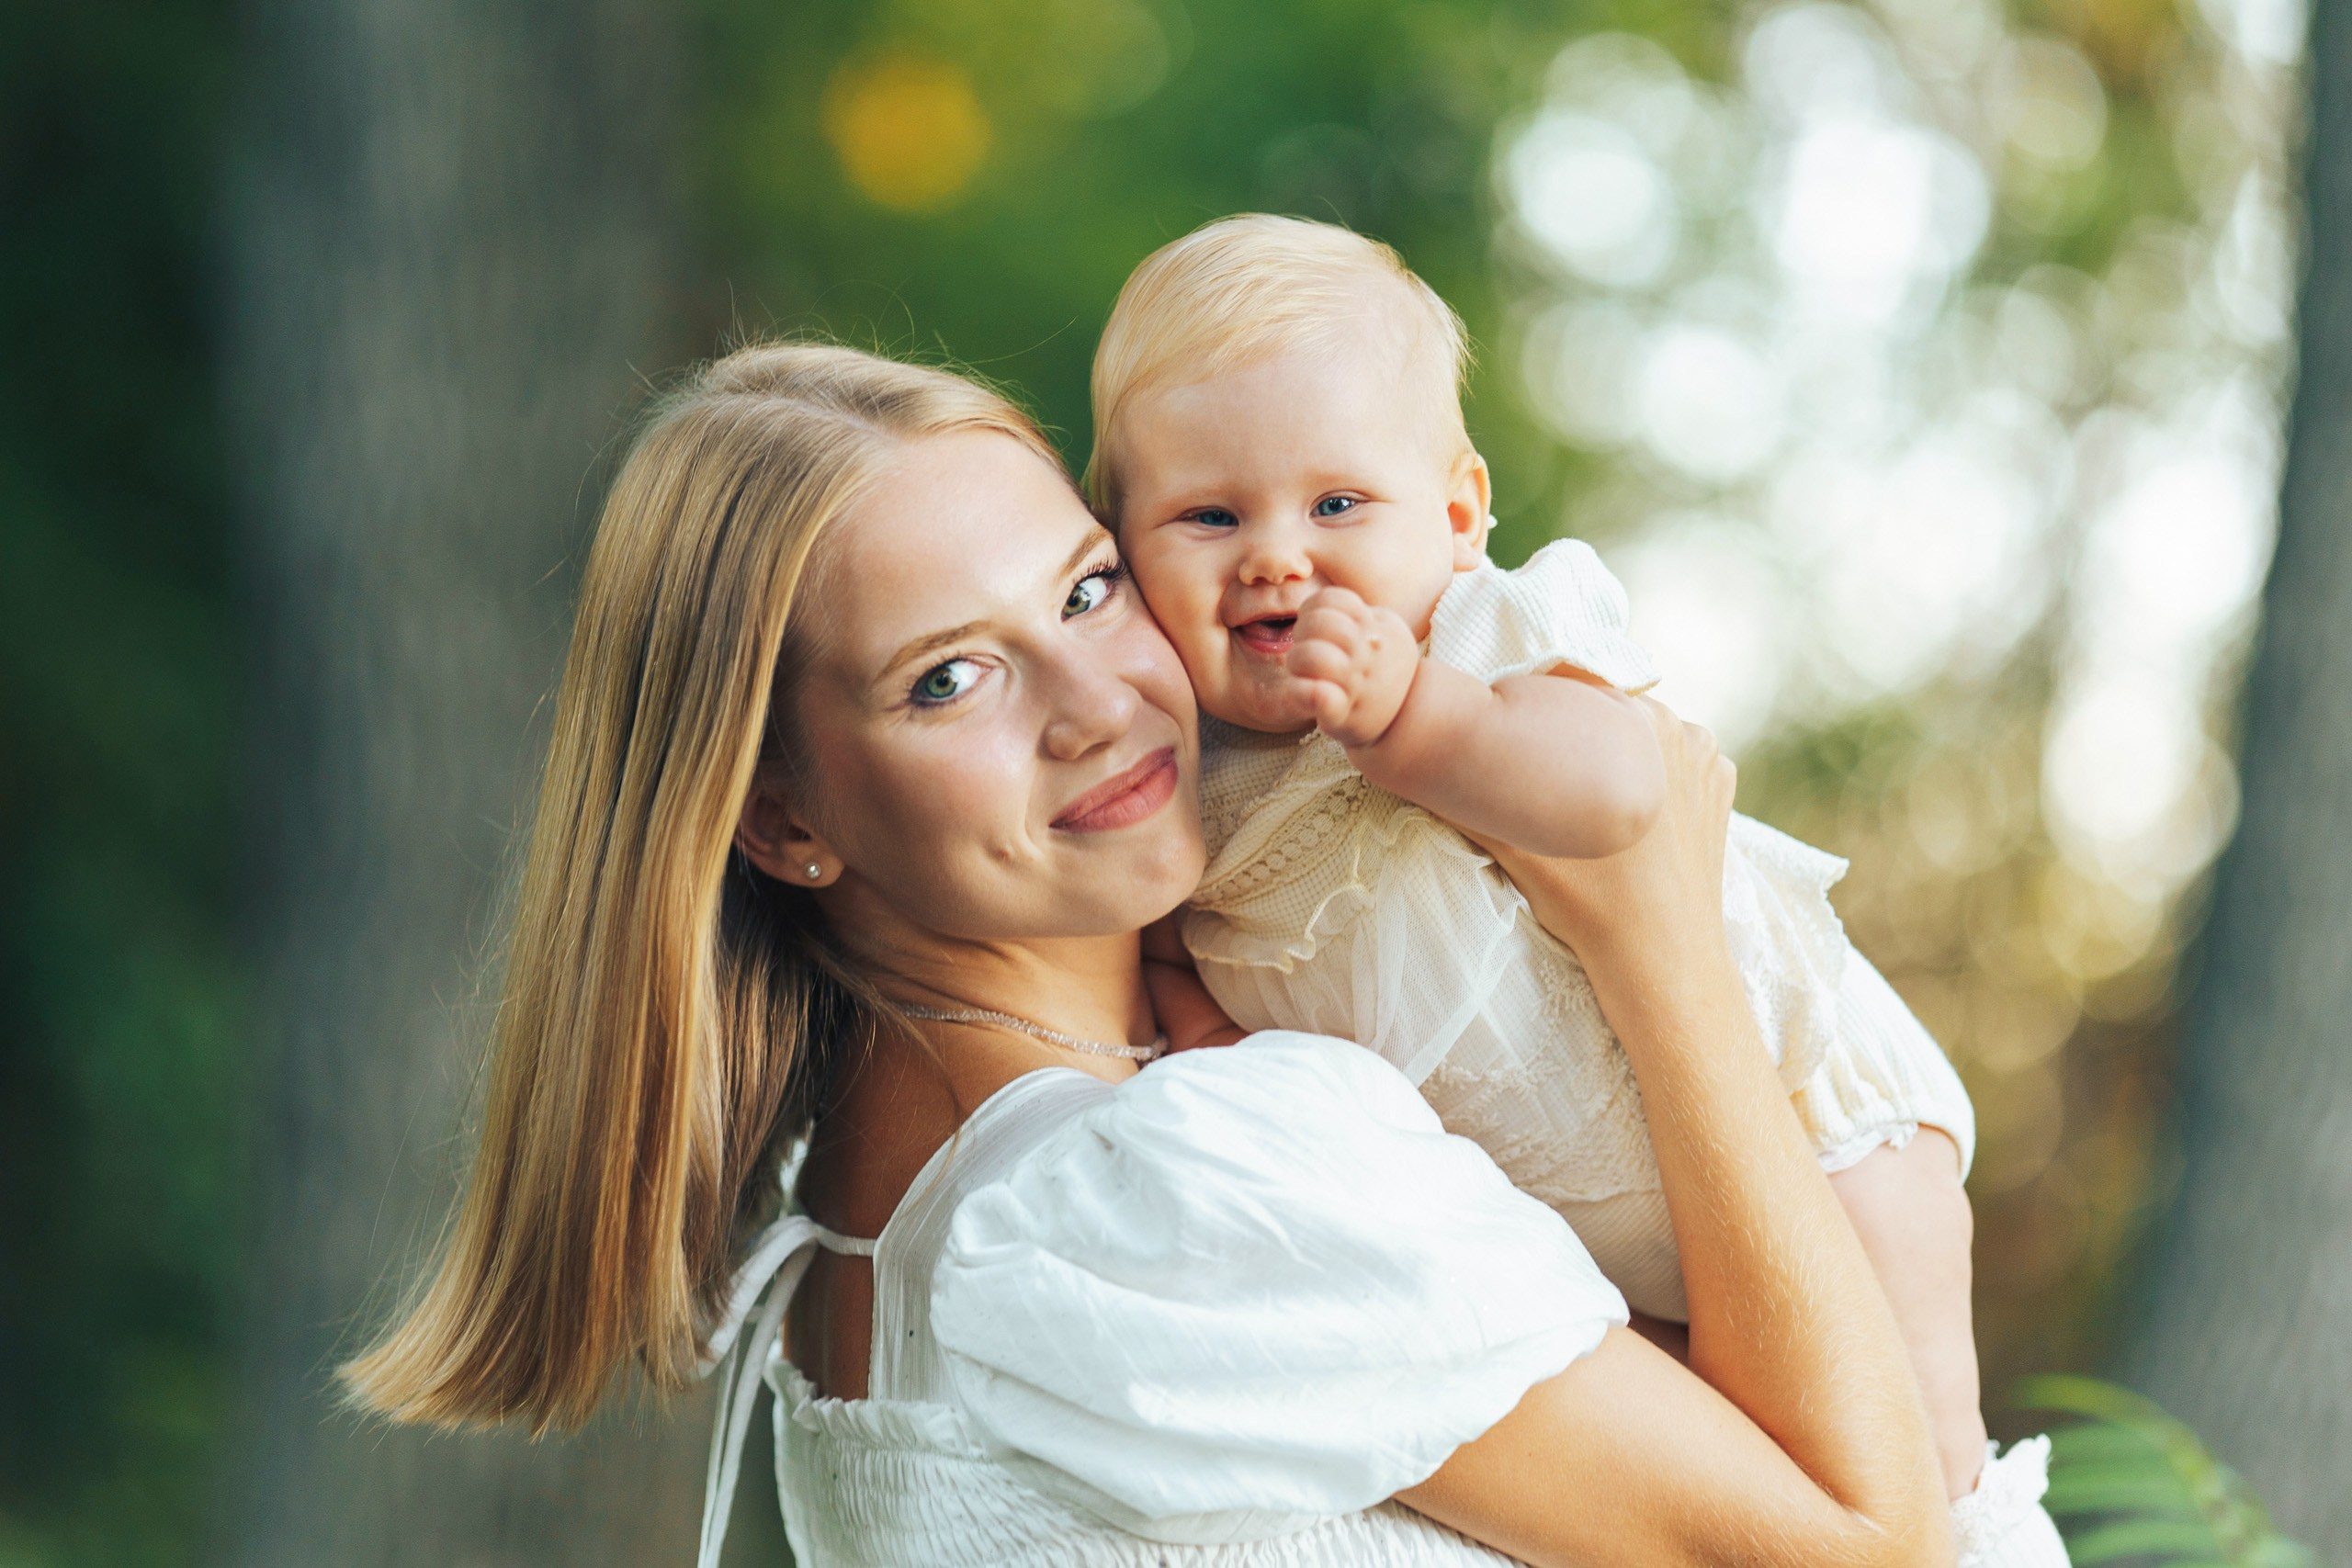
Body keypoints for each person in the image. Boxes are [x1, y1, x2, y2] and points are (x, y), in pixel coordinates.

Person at [342, 343, 2062, 1566]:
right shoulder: (1173, 1192)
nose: (1103, 701)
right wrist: (1653, 924)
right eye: (950, 677)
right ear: (785, 823)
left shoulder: (859, 1221)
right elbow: (1866, 1547)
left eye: (1087, 592)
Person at [1090, 213, 2025, 1508]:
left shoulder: (1488, 635)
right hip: (1586, 1235)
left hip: (1807, 1113)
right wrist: (1207, 1045)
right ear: (1123, 541)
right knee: (1733, 1455)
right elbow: (1163, 952)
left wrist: (1420, 717)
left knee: (1915, 1424)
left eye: (1340, 502)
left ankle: (1970, 1511)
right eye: (1207, 515)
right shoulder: (1184, 785)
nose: (1277, 555)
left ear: (1461, 511)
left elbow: (1622, 787)